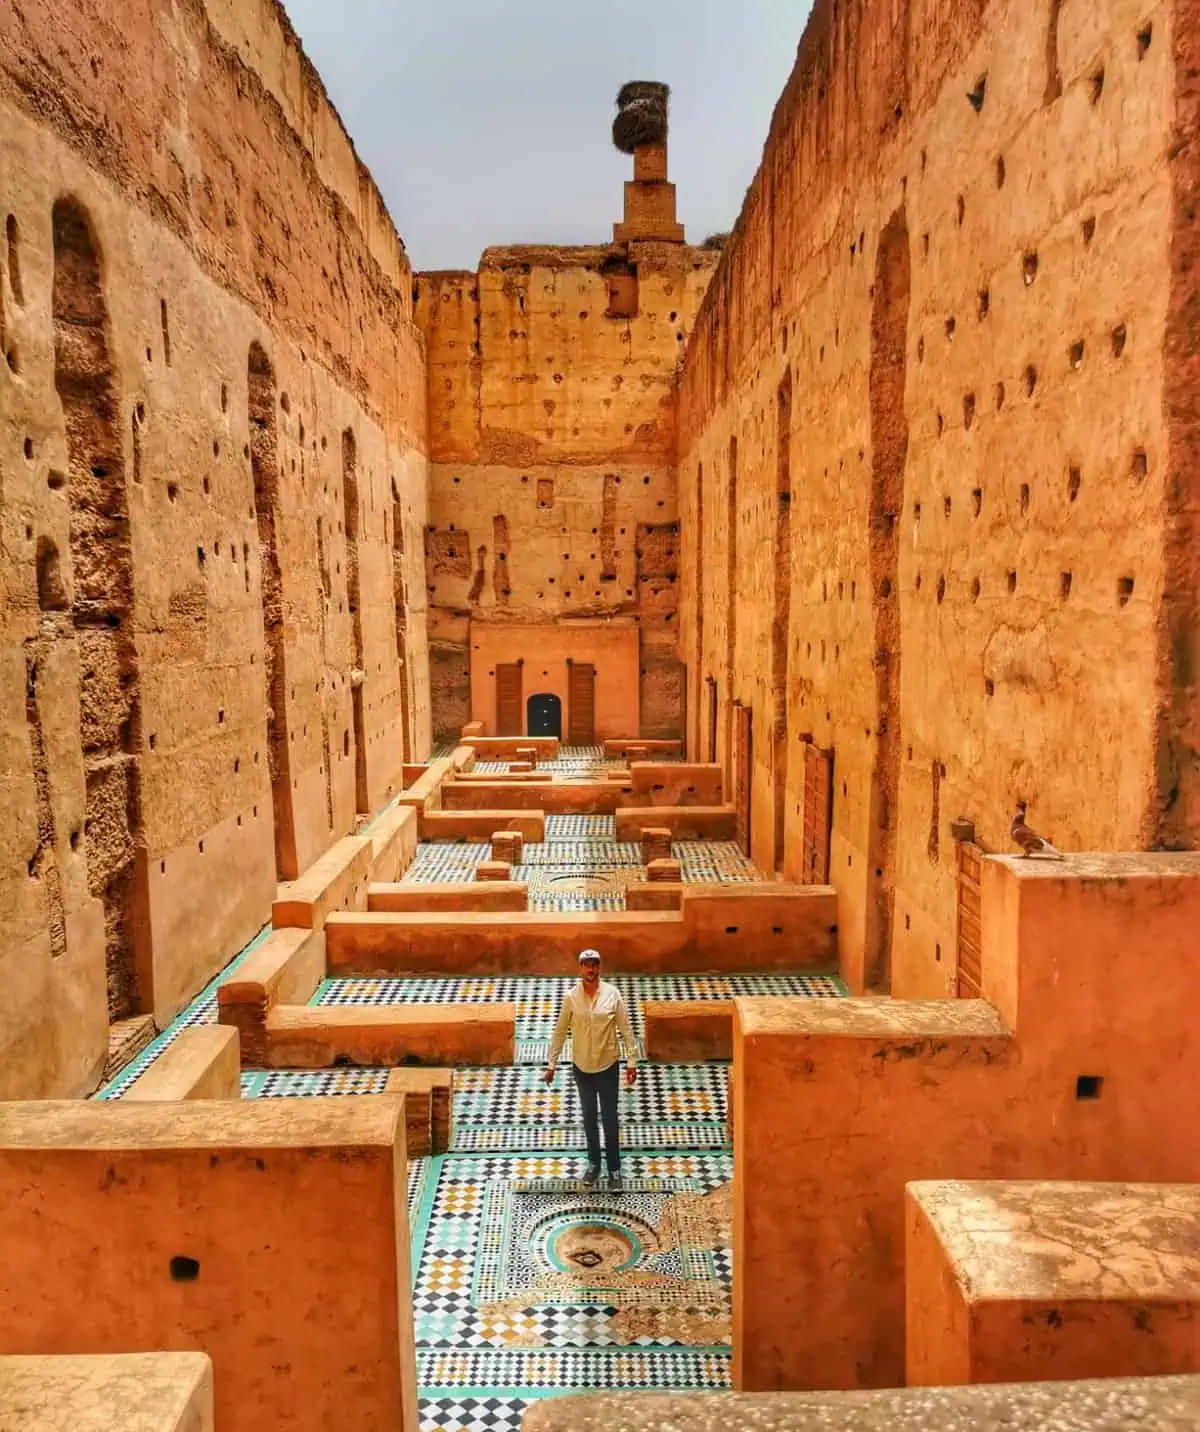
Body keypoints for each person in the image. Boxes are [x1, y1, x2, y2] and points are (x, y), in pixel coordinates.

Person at [544, 948, 638, 1187]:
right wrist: (551, 1062)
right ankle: (594, 1164)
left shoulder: (612, 995)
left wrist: (632, 1061)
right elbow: (559, 1030)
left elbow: (626, 1030)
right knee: (588, 1118)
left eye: (594, 965)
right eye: (587, 965)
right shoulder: (571, 997)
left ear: (599, 967)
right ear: (580, 968)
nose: (591, 970)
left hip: (608, 1067)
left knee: (610, 1118)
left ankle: (615, 1169)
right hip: (582, 1068)